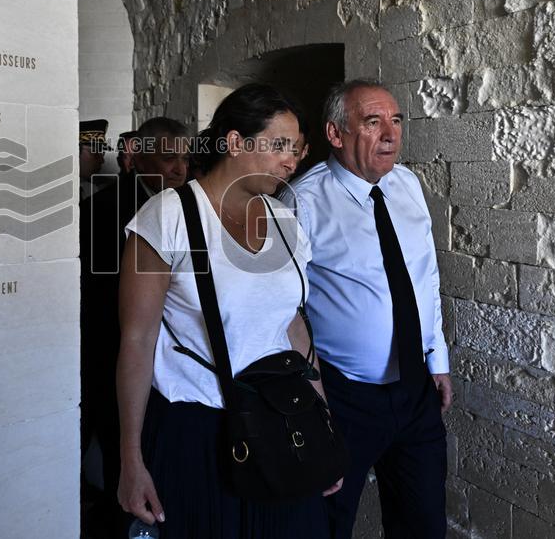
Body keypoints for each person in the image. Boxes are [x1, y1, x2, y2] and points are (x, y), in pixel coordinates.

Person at [116, 84, 340, 538]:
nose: (291, 160)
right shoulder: (166, 217)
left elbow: (294, 326)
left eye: (297, 149)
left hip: (283, 420)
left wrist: (324, 423)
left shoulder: (285, 222)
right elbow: (137, 341)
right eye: (279, 145)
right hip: (198, 432)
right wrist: (130, 458)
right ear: (235, 142)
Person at [285, 79, 451, 538]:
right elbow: (284, 308)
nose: (390, 134)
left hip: (415, 389)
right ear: (336, 134)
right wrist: (309, 396)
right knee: (328, 523)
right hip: (342, 397)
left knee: (423, 522)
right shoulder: (300, 200)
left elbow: (424, 277)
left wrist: (437, 358)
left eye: (395, 120)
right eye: (373, 121)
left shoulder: (408, 184)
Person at [79, 117, 189, 538]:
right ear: (137, 157)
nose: (179, 169)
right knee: (119, 459)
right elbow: (97, 297)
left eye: (184, 158)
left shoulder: (195, 209)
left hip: (175, 365)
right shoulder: (100, 211)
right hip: (114, 354)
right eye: (167, 158)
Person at [80, 119, 109, 201]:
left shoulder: (91, 190)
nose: (102, 160)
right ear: (75, 152)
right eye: (95, 153)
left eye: (102, 153)